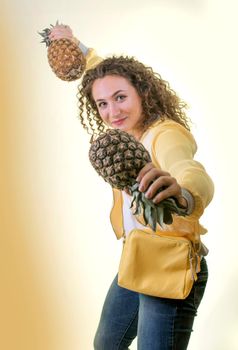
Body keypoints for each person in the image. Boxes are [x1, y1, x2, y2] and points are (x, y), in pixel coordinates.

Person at [49, 24, 214, 350]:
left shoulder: (165, 133)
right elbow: (103, 72)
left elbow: (191, 172)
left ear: (144, 92)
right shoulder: (127, 133)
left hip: (170, 265)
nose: (112, 111)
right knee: (107, 343)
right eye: (102, 104)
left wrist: (183, 193)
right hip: (137, 256)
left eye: (121, 98)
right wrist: (73, 44)